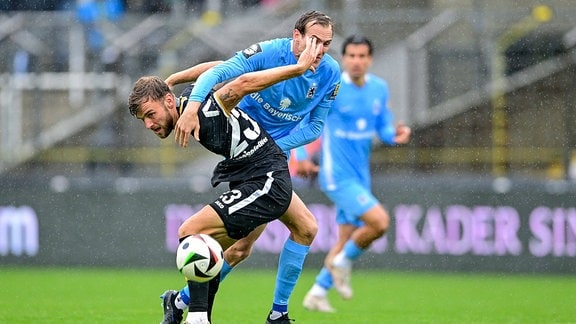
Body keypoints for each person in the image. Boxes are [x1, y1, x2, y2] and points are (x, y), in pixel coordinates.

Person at [162, 10, 341, 324]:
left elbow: (315, 128)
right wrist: (183, 91)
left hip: (270, 158)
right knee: (291, 231)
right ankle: (270, 315)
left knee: (245, 248)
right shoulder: (271, 52)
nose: (321, 49)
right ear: (296, 36)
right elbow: (223, 71)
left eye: (326, 43)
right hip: (246, 156)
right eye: (315, 40)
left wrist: (274, 147)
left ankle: (180, 302)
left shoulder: (329, 73)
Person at [128, 35, 321, 324]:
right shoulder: (195, 97)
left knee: (191, 234)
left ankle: (196, 316)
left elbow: (242, 82)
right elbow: (222, 66)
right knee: (297, 231)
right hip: (252, 173)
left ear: (169, 101)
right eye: (143, 119)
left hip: (265, 178)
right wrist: (174, 79)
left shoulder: (206, 111)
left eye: (151, 114)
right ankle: (271, 314)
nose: (149, 124)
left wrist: (297, 69)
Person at [296, 35, 411, 313]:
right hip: (336, 175)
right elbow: (304, 118)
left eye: (362, 56)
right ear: (344, 58)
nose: (357, 61)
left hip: (361, 176)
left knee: (346, 239)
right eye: (351, 56)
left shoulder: (378, 89)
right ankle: (341, 264)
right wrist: (299, 157)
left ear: (370, 59)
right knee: (379, 222)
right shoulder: (333, 88)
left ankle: (318, 291)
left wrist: (396, 135)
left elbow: (382, 127)